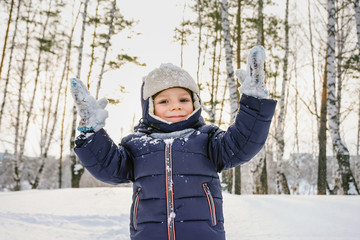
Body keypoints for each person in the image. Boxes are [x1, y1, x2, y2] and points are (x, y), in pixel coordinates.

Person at [70, 46, 277, 240]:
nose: (176, 106)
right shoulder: (136, 145)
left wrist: (254, 104)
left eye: (183, 100)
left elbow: (243, 143)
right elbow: (108, 167)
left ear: (195, 102)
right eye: (164, 101)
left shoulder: (208, 140)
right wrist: (91, 132)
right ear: (149, 107)